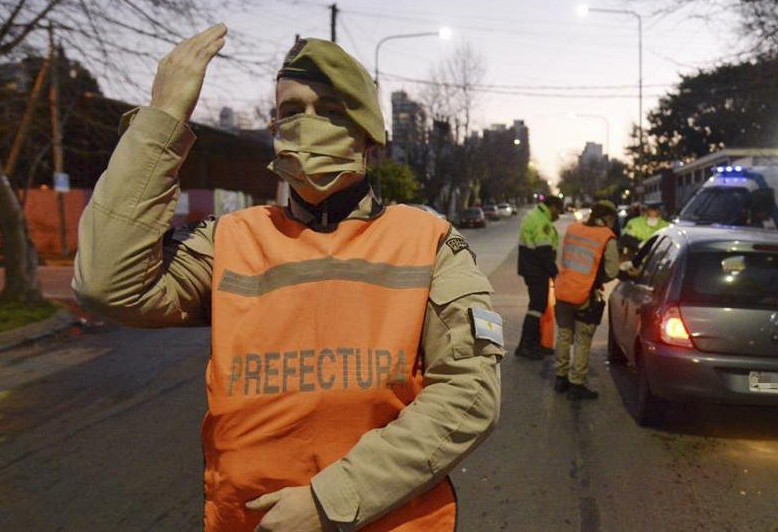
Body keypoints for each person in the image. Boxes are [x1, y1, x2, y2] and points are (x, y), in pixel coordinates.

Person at [72, 27, 503, 532]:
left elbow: (469, 394)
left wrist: (332, 500)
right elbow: (107, 286)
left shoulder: (429, 241)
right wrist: (162, 119)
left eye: (330, 110)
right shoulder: (230, 239)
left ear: (366, 133)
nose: (307, 124)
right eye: (292, 110)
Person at [553, 201, 620, 399]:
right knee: (582, 339)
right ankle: (577, 384)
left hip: (563, 290)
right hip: (585, 294)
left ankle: (560, 377)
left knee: (564, 335)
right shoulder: (607, 237)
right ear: (608, 218)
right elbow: (612, 271)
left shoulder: (573, 229)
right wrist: (596, 279)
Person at [516, 195, 563, 359]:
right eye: (559, 211)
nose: (559, 215)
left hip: (531, 268)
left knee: (538, 306)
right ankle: (525, 346)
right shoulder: (542, 221)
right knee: (536, 308)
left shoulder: (536, 215)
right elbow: (544, 252)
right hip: (537, 270)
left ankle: (535, 345)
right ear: (553, 207)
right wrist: (554, 272)